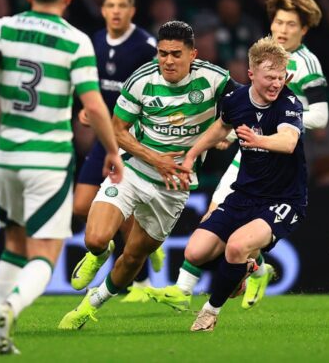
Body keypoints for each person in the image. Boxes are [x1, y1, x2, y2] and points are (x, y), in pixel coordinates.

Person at [0, 0, 124, 354]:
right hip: (48, 159)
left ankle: (0, 336)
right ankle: (11, 306)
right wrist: (112, 150)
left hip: (7, 158)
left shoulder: (3, 29)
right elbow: (93, 103)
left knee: (14, 245)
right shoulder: (75, 40)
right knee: (45, 253)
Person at [145, 0, 327, 312]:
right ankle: (183, 290)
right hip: (249, 150)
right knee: (216, 214)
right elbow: (236, 111)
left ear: (304, 30)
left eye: (290, 24)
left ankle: (250, 270)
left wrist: (281, 124)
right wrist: (239, 129)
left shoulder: (308, 63)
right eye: (278, 21)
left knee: (243, 233)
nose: (282, 29)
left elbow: (322, 116)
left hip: (278, 155)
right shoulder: (263, 57)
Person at [57, 20, 240, 330]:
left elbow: (242, 113)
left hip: (174, 188)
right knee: (95, 237)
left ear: (192, 55)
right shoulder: (140, 80)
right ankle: (98, 254)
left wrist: (227, 136)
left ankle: (88, 307)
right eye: (162, 53)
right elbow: (118, 130)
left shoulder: (216, 80)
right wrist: (157, 159)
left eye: (175, 54)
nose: (168, 61)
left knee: (132, 258)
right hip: (134, 171)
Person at [179, 36, 306, 331]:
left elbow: (288, 141)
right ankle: (243, 270)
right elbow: (221, 127)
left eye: (280, 77)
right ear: (251, 75)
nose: (276, 84)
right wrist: (193, 153)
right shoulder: (235, 101)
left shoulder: (289, 104)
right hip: (244, 195)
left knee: (236, 247)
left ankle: (209, 313)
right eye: (269, 77)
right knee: (194, 253)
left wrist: (256, 139)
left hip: (283, 200)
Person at [69, 0, 163, 304]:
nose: (116, 11)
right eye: (111, 5)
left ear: (132, 11)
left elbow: (158, 90)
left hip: (129, 138)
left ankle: (142, 283)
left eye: (123, 5)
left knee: (121, 211)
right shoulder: (94, 41)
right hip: (103, 136)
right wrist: (86, 108)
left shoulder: (145, 47)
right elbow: (89, 85)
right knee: (81, 206)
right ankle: (112, 245)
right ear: (103, 9)